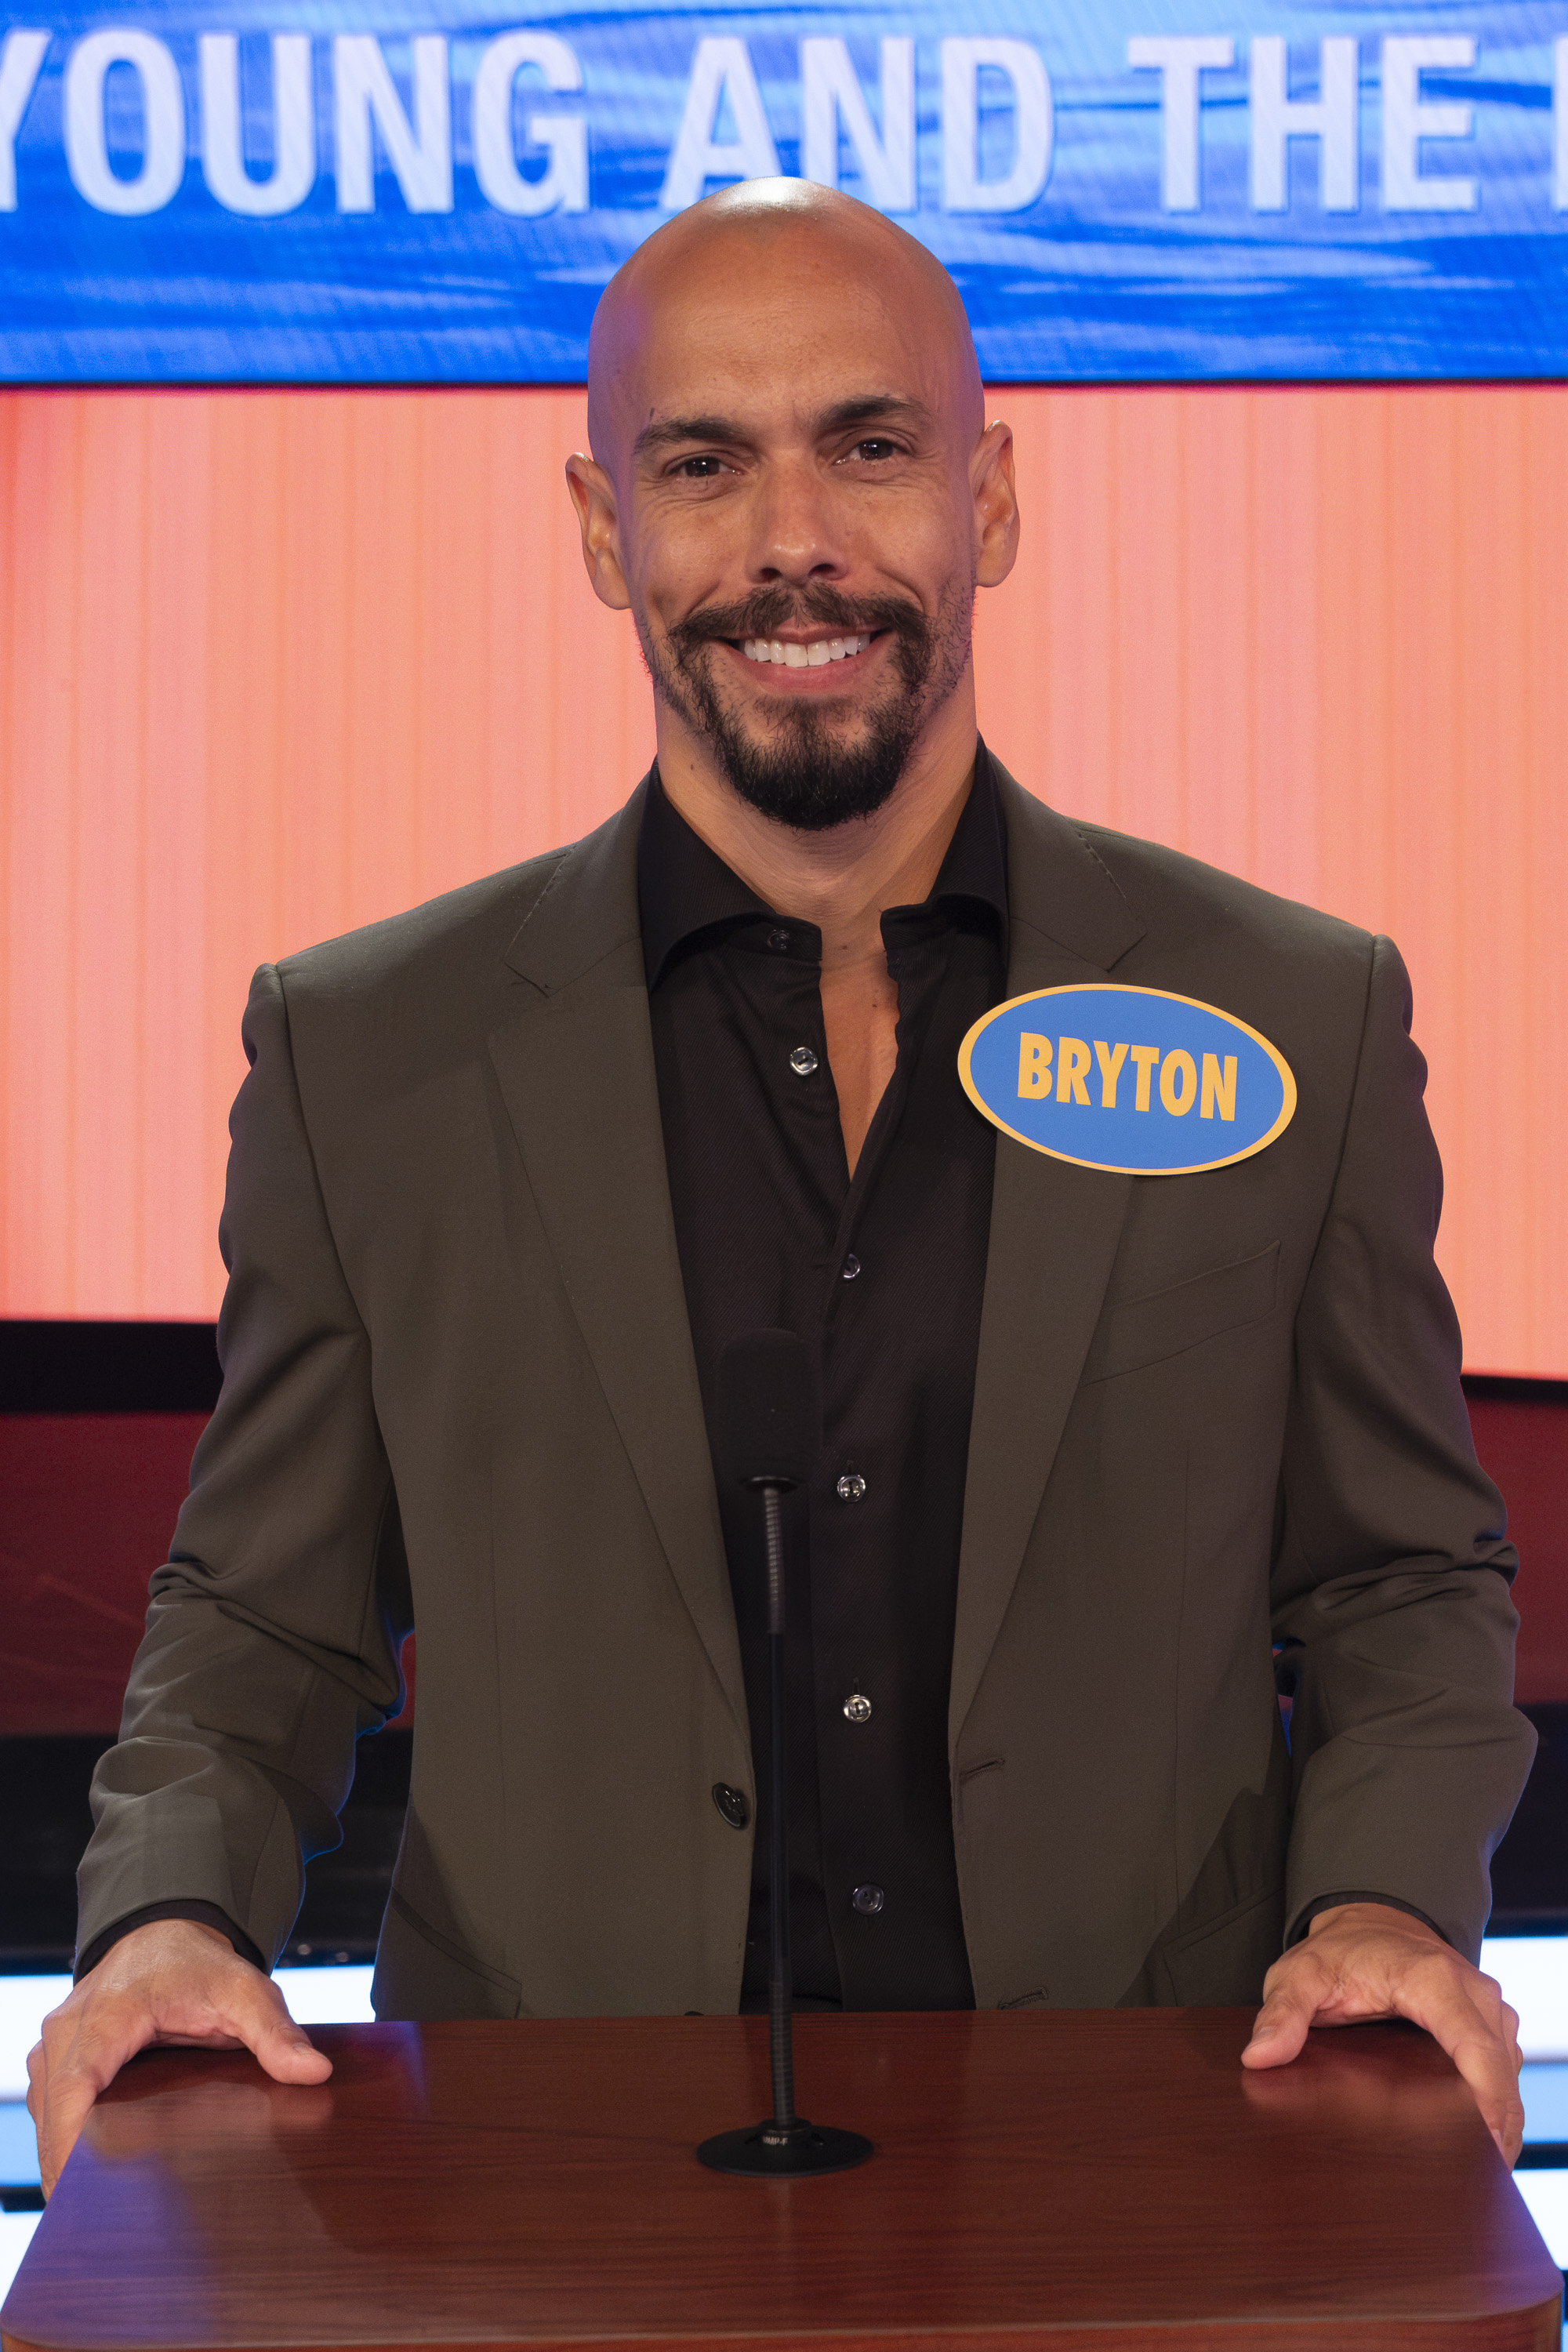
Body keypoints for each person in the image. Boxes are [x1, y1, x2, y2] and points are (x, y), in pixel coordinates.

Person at [30, 180, 1532, 2197]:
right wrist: (165, 1917)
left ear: (989, 498)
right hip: (551, 2184)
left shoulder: (1290, 1014)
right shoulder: (365, 1052)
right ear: (603, 530)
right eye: (703, 464)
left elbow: (1393, 1579)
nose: (791, 539)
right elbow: (265, 1616)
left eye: (870, 445)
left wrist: (1383, 1905)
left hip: (1144, 2148)